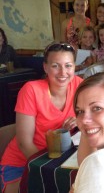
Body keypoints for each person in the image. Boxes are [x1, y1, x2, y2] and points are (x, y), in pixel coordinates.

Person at [0, 42, 82, 193]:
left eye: (68, 65)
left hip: (60, 158)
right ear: (45, 67)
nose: (63, 72)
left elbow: (92, 116)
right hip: (23, 163)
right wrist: (49, 170)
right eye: (55, 65)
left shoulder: (78, 85)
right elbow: (24, 143)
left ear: (74, 67)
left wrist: (80, 119)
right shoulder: (31, 90)